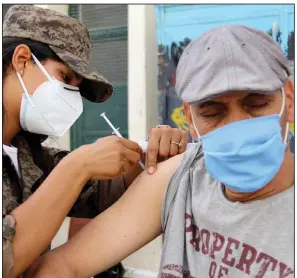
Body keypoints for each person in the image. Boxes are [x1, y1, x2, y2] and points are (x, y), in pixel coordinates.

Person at [28, 24, 294, 278]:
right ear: (190, 118)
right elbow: (63, 266)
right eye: (212, 112)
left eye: (257, 104)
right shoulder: (182, 179)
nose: (236, 127)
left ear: (289, 99)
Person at [2, 5, 189, 278]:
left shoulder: (29, 157)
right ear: (21, 59)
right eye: (65, 77)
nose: (70, 97)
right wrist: (79, 166)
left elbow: (106, 196)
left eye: (76, 87)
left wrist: (151, 155)